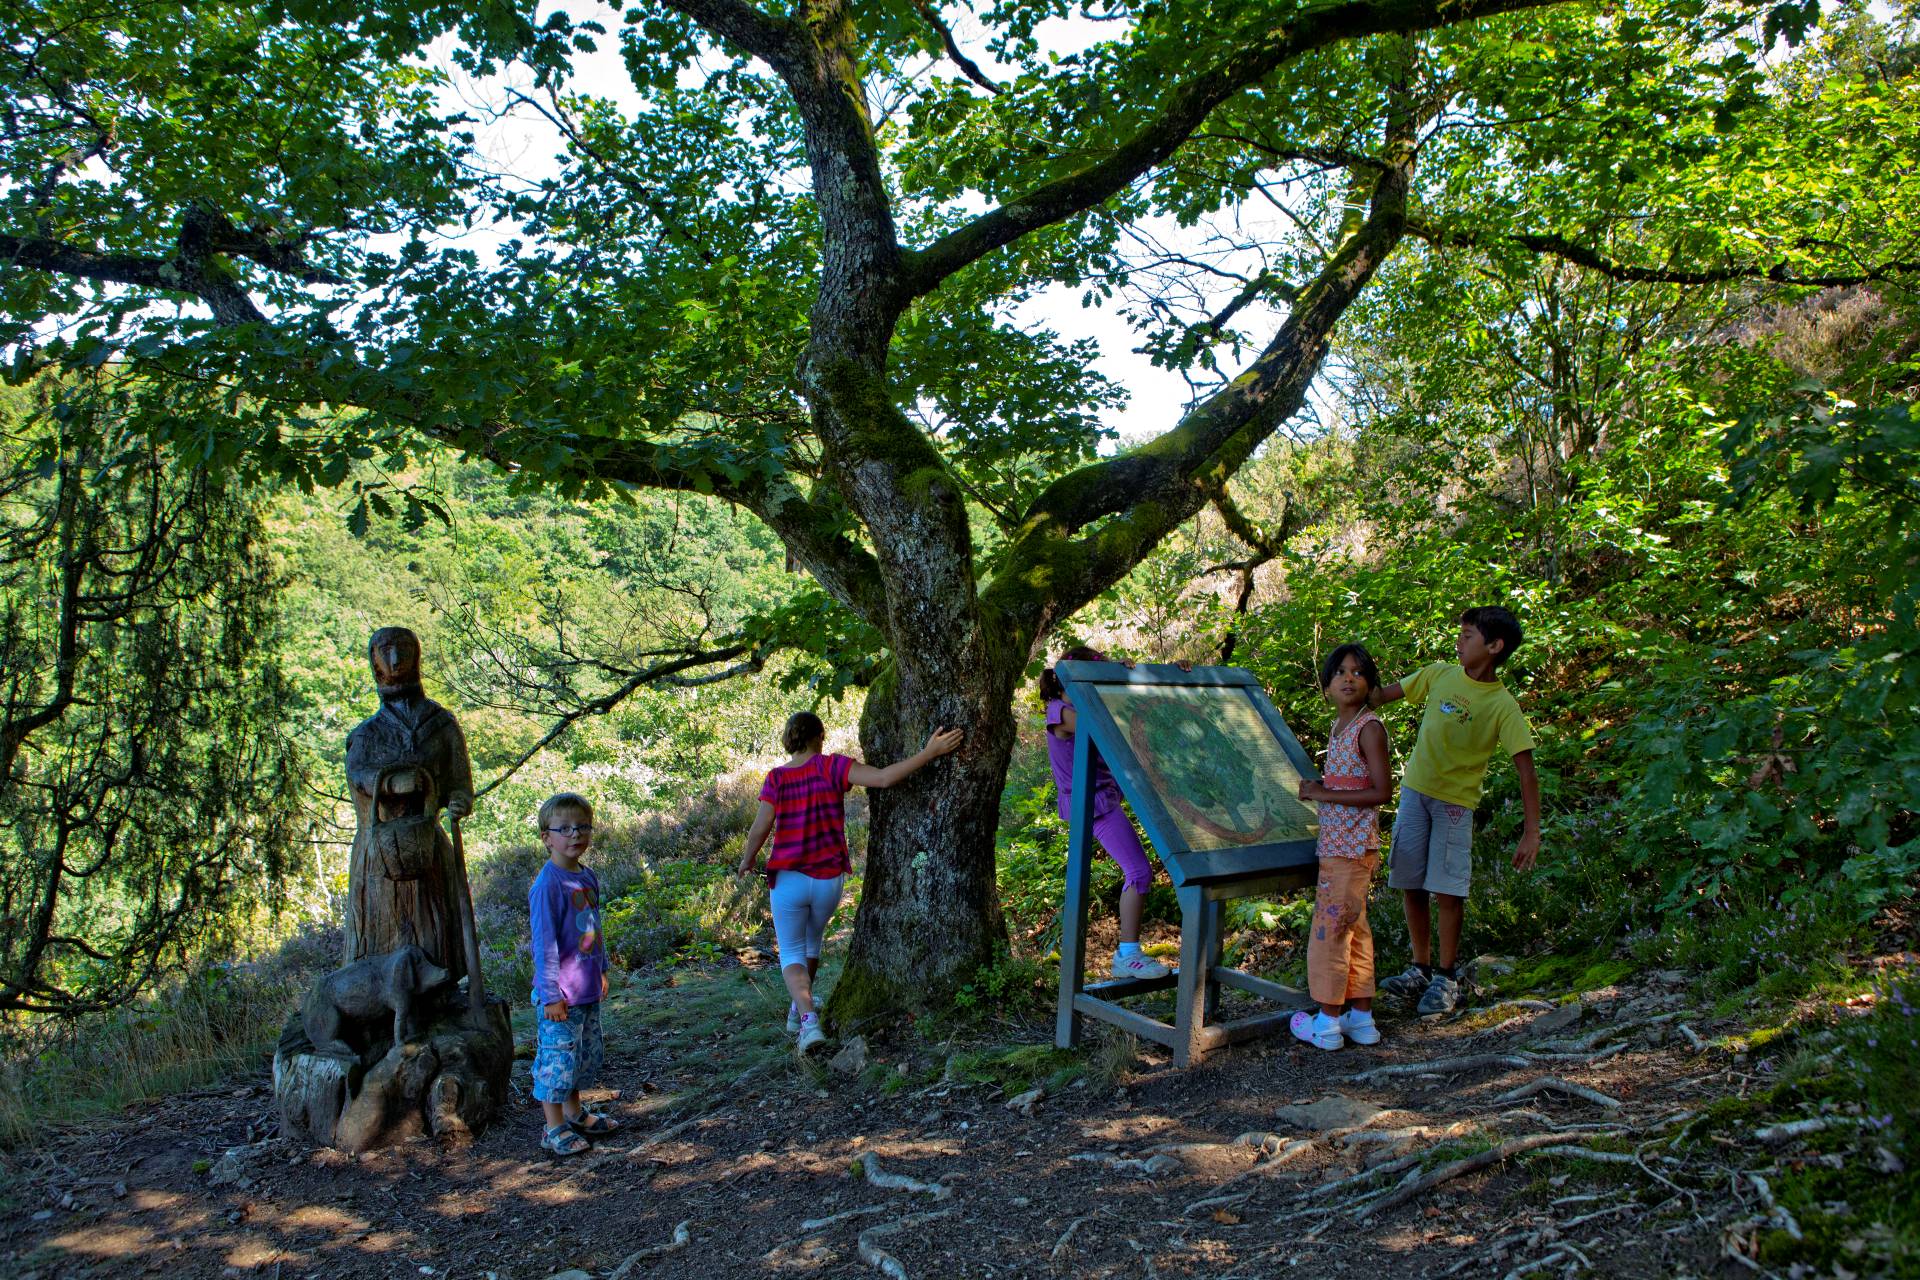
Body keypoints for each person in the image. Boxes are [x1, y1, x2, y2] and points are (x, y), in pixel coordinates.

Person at [736, 712, 963, 1055]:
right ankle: (800, 1009)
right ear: (819, 737)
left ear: (790, 739)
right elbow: (885, 778)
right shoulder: (833, 767)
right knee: (811, 943)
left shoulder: (777, 778)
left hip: (790, 880)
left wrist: (748, 859)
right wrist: (929, 753)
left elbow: (761, 826)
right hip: (828, 881)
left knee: (793, 954)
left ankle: (809, 1023)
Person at [1372, 607, 1542, 1016]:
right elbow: (1380, 696)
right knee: (1410, 881)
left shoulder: (1502, 705)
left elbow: (1527, 771)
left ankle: (1446, 978)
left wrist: (1531, 831)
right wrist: (1352, 671)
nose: (1459, 643)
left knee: (1447, 889)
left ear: (1494, 646)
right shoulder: (1439, 674)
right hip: (1415, 794)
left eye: (1468, 636)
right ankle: (1419, 968)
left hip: (1455, 807)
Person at [1038, 646, 1172, 982]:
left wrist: (1136, 674)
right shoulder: (1060, 711)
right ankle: (1128, 954)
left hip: (1107, 796)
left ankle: (1129, 953)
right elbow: (1105, 724)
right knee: (1139, 872)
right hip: (1092, 805)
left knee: (1139, 872)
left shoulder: (1077, 703)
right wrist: (1120, 680)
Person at [1288, 644, 1394, 1051]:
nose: (1349, 679)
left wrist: (1322, 794)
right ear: (1327, 686)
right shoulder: (1340, 729)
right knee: (1355, 928)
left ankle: (1327, 1023)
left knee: (1329, 931)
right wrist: (1323, 791)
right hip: (1338, 846)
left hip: (1350, 849)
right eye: (1340, 673)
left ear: (1369, 684)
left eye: (1358, 672)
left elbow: (1381, 791)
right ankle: (1361, 1017)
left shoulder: (1368, 727)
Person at [529, 791, 618, 1157]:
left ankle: (575, 1112)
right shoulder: (547, 885)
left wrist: (602, 968)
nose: (575, 834)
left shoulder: (586, 876)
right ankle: (553, 1128)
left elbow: (593, 928)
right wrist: (550, 994)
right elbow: (544, 944)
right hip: (560, 996)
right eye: (563, 829)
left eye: (582, 826)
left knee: (580, 1057)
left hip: (586, 988)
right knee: (557, 1060)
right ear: (546, 837)